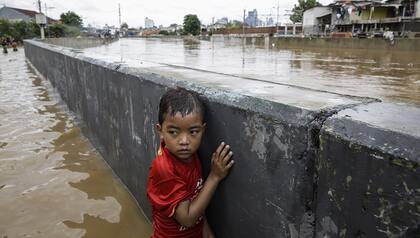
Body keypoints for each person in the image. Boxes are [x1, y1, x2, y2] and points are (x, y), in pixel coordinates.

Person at [147, 88, 235, 238]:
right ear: (160, 131)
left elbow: (195, 196)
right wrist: (214, 176)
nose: (184, 142)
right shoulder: (165, 168)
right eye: (173, 132)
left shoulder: (191, 156)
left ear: (203, 129)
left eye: (193, 131)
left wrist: (206, 231)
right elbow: (187, 219)